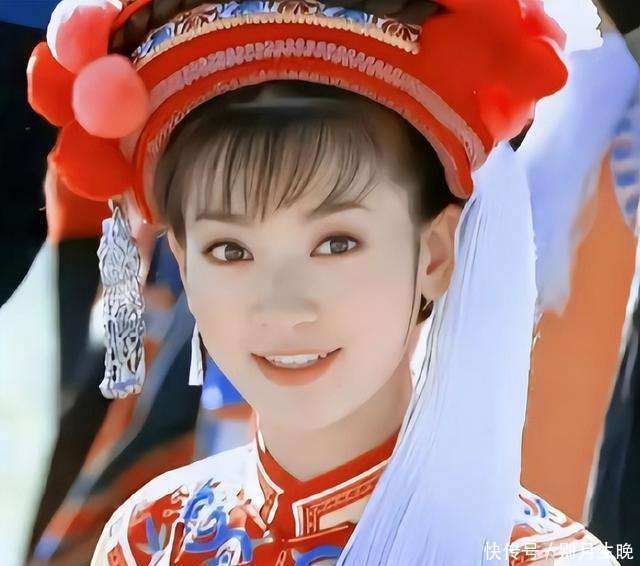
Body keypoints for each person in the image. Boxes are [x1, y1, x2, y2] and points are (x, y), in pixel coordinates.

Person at [26, 0, 619, 563]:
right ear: (182, 263)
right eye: (230, 251)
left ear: (436, 254)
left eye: (337, 244)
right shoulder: (147, 538)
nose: (283, 307)